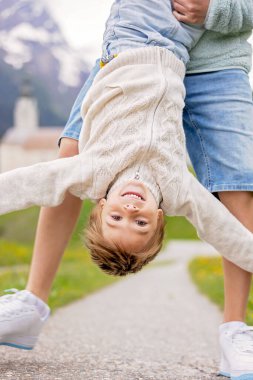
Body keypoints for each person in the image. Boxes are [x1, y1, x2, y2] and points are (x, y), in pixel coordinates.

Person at [0, 0, 253, 378]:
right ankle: (32, 303)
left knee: (236, 185)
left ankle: (235, 329)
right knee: (69, 149)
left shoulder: (95, 171)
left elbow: (29, 183)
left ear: (100, 205)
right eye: (140, 224)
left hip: (168, 50)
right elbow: (223, 231)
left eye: (118, 217)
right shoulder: (174, 188)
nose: (131, 212)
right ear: (159, 216)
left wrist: (216, 10)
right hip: (146, 50)